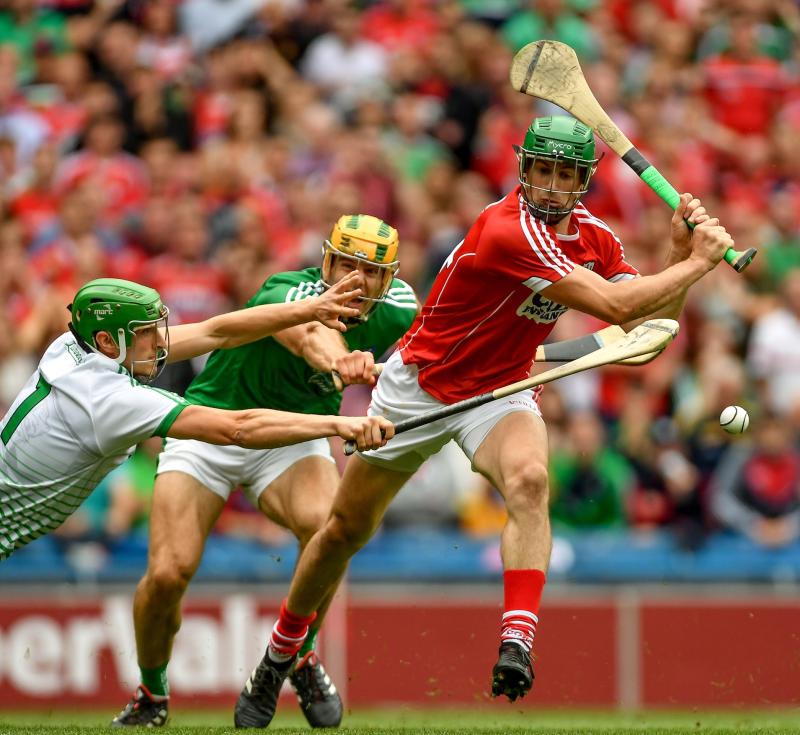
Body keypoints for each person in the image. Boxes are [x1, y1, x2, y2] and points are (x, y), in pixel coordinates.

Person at [230, 114, 735, 727]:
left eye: (563, 175)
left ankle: (516, 643)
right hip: (421, 385)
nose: (549, 185)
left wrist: (680, 254)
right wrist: (699, 263)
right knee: (342, 531)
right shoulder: (508, 230)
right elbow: (614, 304)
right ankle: (279, 656)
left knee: (528, 481)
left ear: (583, 183)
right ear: (524, 170)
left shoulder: (596, 237)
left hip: (503, 387)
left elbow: (647, 332)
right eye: (541, 170)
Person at [116, 215, 418, 729]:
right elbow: (307, 336)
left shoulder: (401, 309)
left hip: (290, 438)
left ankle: (298, 652)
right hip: (212, 428)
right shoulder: (286, 289)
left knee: (332, 530)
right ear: (326, 260)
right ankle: (151, 691)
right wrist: (340, 361)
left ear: (388, 279)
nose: (355, 279)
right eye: (345, 263)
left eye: (369, 270)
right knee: (168, 574)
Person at [0, 274, 394, 565]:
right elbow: (237, 427)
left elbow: (215, 331)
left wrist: (308, 309)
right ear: (107, 341)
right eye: (147, 332)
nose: (160, 340)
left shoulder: (73, 345)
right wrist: (339, 424)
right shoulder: (111, 401)